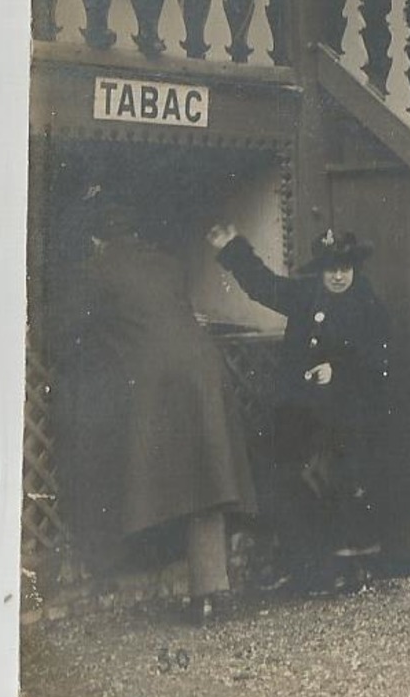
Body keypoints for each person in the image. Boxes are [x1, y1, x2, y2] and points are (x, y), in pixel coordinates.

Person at [54, 197, 256, 627]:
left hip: (158, 384)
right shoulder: (166, 263)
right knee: (208, 478)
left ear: (96, 239)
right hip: (203, 373)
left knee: (150, 476)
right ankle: (212, 594)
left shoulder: (95, 271)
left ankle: (120, 567)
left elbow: (65, 331)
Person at [210, 225, 392, 596]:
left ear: (354, 268)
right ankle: (305, 566)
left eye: (344, 267)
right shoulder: (305, 293)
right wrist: (232, 247)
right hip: (301, 413)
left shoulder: (367, 303)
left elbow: (379, 359)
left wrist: (338, 371)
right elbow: (264, 286)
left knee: (342, 481)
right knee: (284, 475)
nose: (338, 275)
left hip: (348, 418)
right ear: (320, 270)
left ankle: (349, 568)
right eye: (330, 268)